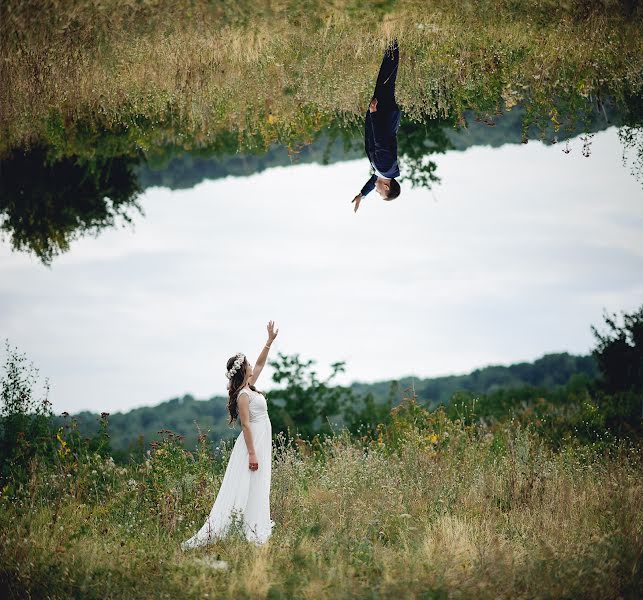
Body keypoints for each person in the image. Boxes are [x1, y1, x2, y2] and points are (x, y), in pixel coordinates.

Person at [180, 320, 279, 549]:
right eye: (248, 365)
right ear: (242, 369)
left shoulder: (250, 386)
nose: (252, 366)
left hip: (261, 442)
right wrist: (252, 455)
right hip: (251, 446)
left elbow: (262, 364)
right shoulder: (243, 395)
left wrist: (269, 342)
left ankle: (253, 524)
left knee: (258, 484)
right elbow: (245, 425)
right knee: (247, 483)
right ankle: (243, 528)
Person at [352, 40, 401, 213]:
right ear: (387, 188)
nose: (378, 192)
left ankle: (392, 42)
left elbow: (375, 179)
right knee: (387, 79)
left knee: (386, 80)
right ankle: (393, 41)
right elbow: (379, 139)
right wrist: (373, 114)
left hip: (385, 116)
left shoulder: (385, 171)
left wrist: (362, 194)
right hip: (383, 115)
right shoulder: (385, 166)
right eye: (380, 193)